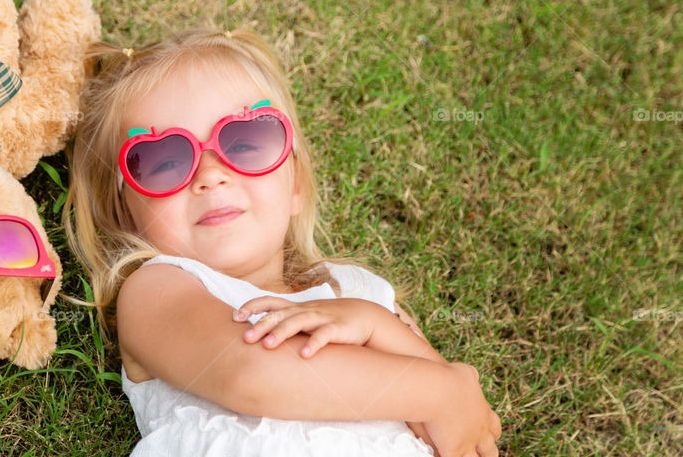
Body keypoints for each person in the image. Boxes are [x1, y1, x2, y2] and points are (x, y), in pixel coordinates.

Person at [65, 29, 501, 457]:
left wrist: (376, 323)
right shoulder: (157, 290)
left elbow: (459, 419)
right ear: (127, 217)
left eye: (245, 141)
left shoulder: (360, 293)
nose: (211, 175)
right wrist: (439, 389)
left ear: (296, 186)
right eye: (164, 161)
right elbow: (250, 374)